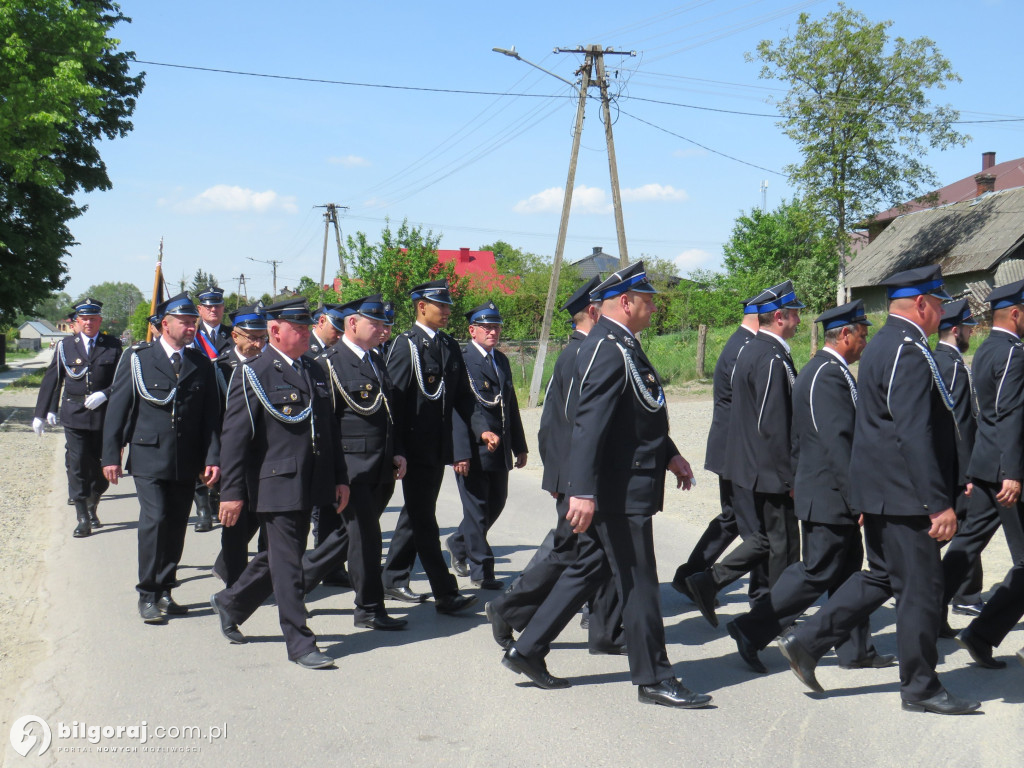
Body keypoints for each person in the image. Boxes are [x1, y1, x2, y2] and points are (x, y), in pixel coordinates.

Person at [502, 261, 711, 709]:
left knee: (588, 568)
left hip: (625, 482)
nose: (654, 307)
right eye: (648, 300)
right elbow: (588, 424)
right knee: (639, 582)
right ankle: (654, 677)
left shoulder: (621, 344)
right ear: (624, 302)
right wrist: (581, 489)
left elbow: (638, 413)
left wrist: (668, 452)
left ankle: (527, 648)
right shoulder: (608, 348)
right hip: (618, 489)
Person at [778, 265, 981, 715]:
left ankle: (807, 641)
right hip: (907, 496)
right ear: (924, 305)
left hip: (886, 492)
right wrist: (937, 502)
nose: (944, 311)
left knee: (885, 577)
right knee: (922, 591)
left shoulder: (888, 345)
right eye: (941, 303)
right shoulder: (906, 350)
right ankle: (922, 688)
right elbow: (913, 433)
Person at [726, 301, 894, 673]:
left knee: (850, 574)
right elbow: (836, 444)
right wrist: (856, 499)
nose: (865, 343)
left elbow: (804, 440)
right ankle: (750, 629)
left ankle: (855, 650)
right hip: (829, 496)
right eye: (862, 336)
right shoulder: (826, 374)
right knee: (815, 572)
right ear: (845, 335)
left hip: (828, 493)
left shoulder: (831, 370)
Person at [484, 276, 624, 655]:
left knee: (594, 553)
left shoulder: (583, 351)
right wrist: (567, 480)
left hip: (578, 476)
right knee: (571, 550)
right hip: (578, 479)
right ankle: (508, 609)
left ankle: (606, 630)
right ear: (593, 312)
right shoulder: (583, 354)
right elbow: (570, 425)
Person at [210, 298, 349, 669]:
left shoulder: (315, 370)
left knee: (276, 557)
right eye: (298, 328)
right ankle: (300, 642)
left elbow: (329, 432)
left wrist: (339, 478)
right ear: (275, 331)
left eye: (307, 328)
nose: (305, 334)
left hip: (313, 481)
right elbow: (235, 438)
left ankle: (231, 602)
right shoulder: (254, 372)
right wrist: (233, 493)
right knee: (289, 564)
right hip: (276, 484)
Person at [687, 280, 804, 627]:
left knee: (767, 540)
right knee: (780, 545)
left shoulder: (759, 351)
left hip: (756, 467)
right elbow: (772, 424)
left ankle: (709, 581)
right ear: (780, 317)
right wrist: (789, 475)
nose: (799, 321)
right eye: (795, 314)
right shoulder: (768, 356)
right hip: (767, 470)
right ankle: (772, 618)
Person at [101, 293, 221, 624]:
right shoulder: (138, 359)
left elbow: (211, 417)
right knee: (154, 521)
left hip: (186, 459)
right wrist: (111, 454)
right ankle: (148, 593)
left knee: (176, 525)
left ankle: (167, 587)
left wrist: (213, 457)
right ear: (164, 325)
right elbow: (118, 409)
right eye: (184, 322)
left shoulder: (201, 363)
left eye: (193, 322)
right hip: (149, 455)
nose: (190, 327)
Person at [304, 294, 408, 630]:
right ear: (352, 323)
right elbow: (326, 424)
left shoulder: (376, 359)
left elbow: (387, 414)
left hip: (380, 466)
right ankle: (369, 608)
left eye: (383, 323)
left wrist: (397, 451)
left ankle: (284, 583)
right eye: (375, 323)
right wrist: (333, 474)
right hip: (352, 468)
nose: (382, 329)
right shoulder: (329, 363)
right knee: (366, 538)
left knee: (347, 539)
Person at [379, 279, 478, 614]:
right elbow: (394, 403)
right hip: (413, 450)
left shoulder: (448, 345)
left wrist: (480, 433)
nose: (447, 311)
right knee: (425, 522)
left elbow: (464, 398)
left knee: (416, 513)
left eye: (449, 305)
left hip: (437, 449)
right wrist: (397, 449)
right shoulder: (406, 346)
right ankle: (445, 593)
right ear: (422, 306)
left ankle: (392, 577)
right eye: (442, 305)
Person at [950, 281, 1024, 667]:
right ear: (1015, 313)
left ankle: (921, 615)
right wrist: (1012, 472)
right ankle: (980, 634)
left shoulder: (986, 350)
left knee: (964, 546)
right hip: (1004, 471)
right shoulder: (1013, 353)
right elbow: (1010, 415)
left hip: (984, 465)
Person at [671, 294, 758, 601]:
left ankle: (689, 576)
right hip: (737, 452)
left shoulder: (743, 344)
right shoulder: (745, 348)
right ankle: (765, 603)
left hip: (732, 450)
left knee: (734, 519)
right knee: (756, 532)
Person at [446, 301, 528, 589]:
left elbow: (511, 405)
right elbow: (457, 410)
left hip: (498, 448)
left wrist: (520, 445)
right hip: (472, 448)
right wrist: (460, 452)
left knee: (496, 504)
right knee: (477, 510)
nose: (493, 331)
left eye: (496, 326)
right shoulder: (462, 359)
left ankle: (458, 542)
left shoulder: (501, 360)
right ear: (472, 330)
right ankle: (483, 571)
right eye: (486, 327)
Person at [34, 298, 122, 537]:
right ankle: (83, 516)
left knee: (102, 470)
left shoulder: (112, 346)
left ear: (100, 320)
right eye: (84, 319)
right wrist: (41, 413)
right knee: (78, 465)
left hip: (104, 416)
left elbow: (122, 381)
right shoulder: (66, 347)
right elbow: (53, 379)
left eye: (93, 319)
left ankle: (94, 502)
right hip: (74, 415)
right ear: (77, 321)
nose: (89, 323)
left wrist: (105, 394)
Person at [933, 299, 985, 629]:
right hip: (954, 466)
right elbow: (959, 423)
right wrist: (969, 470)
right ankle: (962, 596)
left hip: (950, 464)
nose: (970, 332)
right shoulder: (949, 364)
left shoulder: (943, 360)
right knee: (962, 529)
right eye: (968, 327)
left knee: (964, 529)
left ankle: (962, 594)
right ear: (955, 330)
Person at [210, 303, 269, 586]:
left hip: (268, 455)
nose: (258, 344)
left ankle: (262, 578)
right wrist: (212, 459)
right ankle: (233, 579)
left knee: (265, 519)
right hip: (233, 456)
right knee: (235, 521)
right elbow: (211, 419)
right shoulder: (221, 369)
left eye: (262, 337)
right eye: (252, 337)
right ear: (235, 336)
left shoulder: (271, 364)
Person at [307, 302, 350, 587]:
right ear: (321, 321)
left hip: (335, 441)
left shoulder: (333, 353)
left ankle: (331, 567)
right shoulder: (308, 352)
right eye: (335, 327)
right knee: (322, 510)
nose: (339, 333)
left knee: (333, 510)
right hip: (313, 444)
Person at [191, 286, 232, 533]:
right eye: (208, 306)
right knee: (200, 456)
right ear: (200, 310)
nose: (213, 310)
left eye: (217, 305)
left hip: (228, 406)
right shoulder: (191, 336)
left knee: (226, 455)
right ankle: (203, 509)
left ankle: (218, 495)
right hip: (199, 406)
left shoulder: (233, 334)